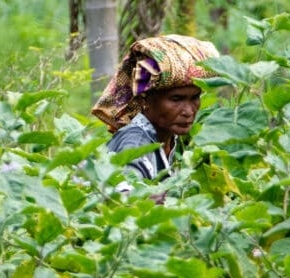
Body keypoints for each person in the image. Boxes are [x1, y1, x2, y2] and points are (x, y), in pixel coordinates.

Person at [92, 34, 219, 181]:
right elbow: (127, 198)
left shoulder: (173, 139)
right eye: (176, 99)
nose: (189, 111)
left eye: (194, 98)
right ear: (144, 98)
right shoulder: (135, 145)